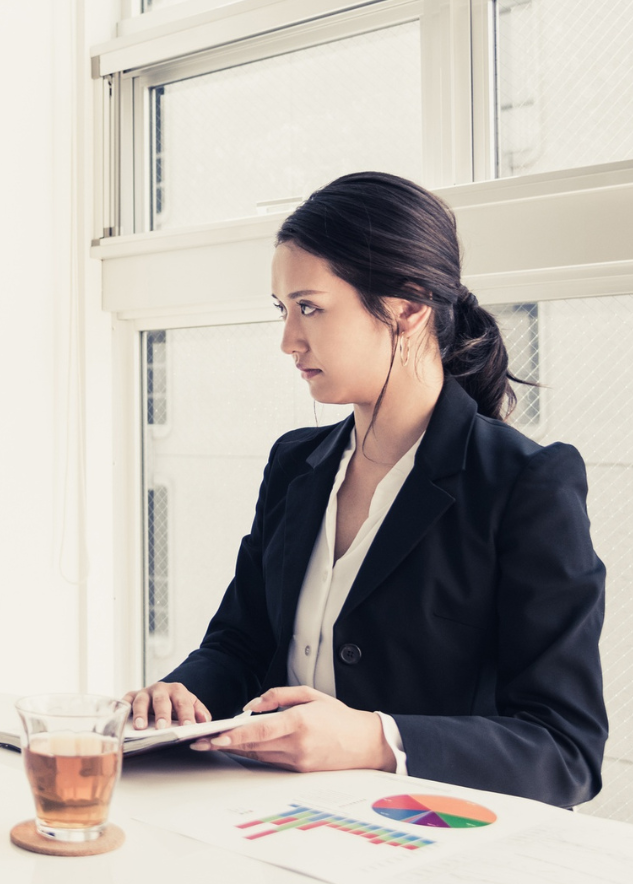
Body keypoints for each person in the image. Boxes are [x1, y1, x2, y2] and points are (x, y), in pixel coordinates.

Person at [125, 172, 606, 808]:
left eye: (310, 307)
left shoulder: (526, 485)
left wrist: (375, 740)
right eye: (284, 310)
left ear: (407, 307)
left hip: (429, 841)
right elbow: (240, 643)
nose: (288, 341)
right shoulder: (295, 463)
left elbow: (565, 748)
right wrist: (179, 695)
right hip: (271, 817)